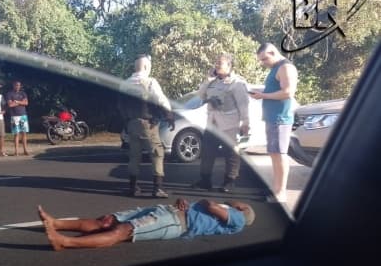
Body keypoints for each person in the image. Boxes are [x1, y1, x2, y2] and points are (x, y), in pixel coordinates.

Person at [37, 197, 255, 251]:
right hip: (168, 210)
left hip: (174, 223)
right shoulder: (230, 213)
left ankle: (64, 242)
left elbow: (211, 206)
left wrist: (208, 202)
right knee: (107, 221)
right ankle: (56, 223)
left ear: (243, 209)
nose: (237, 201)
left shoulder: (238, 219)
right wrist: (182, 202)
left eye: (241, 203)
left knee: (121, 231)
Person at [192, 54, 251, 193]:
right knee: (207, 152)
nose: (217, 65)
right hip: (212, 123)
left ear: (229, 66)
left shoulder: (237, 83)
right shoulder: (212, 82)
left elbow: (243, 105)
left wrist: (246, 123)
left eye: (220, 63)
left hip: (229, 124)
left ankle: (229, 182)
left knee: (231, 153)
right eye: (216, 63)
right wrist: (207, 79)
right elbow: (201, 95)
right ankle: (205, 180)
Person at [118, 55, 174, 198]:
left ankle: (133, 187)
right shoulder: (150, 82)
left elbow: (120, 106)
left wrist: (126, 122)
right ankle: (157, 188)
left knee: (134, 156)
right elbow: (160, 100)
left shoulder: (125, 84)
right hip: (147, 124)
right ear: (146, 67)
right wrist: (169, 115)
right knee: (157, 154)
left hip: (132, 124)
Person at [250, 43, 298, 203]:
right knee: (274, 155)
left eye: (264, 59)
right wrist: (261, 93)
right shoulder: (275, 68)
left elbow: (288, 92)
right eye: (261, 60)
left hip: (280, 119)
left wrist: (264, 96)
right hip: (272, 119)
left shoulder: (286, 68)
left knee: (280, 155)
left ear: (273, 52)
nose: (263, 63)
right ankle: (276, 189)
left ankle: (281, 193)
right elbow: (275, 91)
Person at [6, 81, 30, 156]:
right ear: (13, 85)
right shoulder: (10, 94)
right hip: (14, 116)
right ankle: (16, 151)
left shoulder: (23, 93)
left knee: (24, 133)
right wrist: (21, 102)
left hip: (23, 115)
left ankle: (25, 150)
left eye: (19, 85)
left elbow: (26, 103)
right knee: (16, 134)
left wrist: (16, 102)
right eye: (16, 85)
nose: (17, 86)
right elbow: (10, 105)